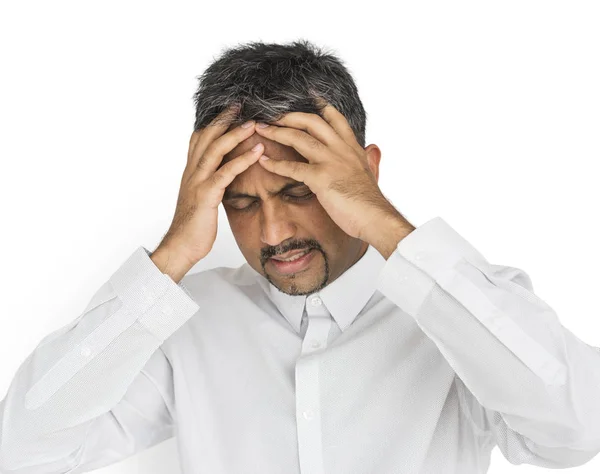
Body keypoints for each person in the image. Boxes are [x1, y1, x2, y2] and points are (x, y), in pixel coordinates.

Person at [1, 39, 599, 474]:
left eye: (298, 190)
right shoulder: (190, 321)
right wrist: (173, 255)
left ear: (365, 172)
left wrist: (390, 226)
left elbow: (575, 433)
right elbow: (21, 449)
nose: (272, 232)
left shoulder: (464, 311)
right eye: (238, 203)